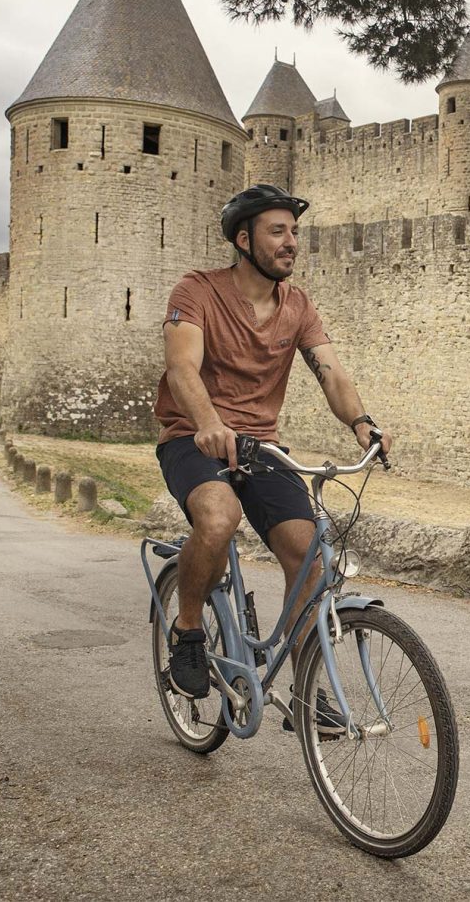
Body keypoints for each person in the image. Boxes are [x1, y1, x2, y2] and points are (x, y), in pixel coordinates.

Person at [154, 184, 391, 703]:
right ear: (244, 239)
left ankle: (308, 695)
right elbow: (181, 369)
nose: (291, 243)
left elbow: (330, 372)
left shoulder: (298, 306)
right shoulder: (196, 291)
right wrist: (209, 423)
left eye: (295, 233)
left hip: (261, 448)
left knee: (309, 556)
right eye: (277, 232)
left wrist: (361, 423)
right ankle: (188, 631)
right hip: (193, 437)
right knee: (217, 520)